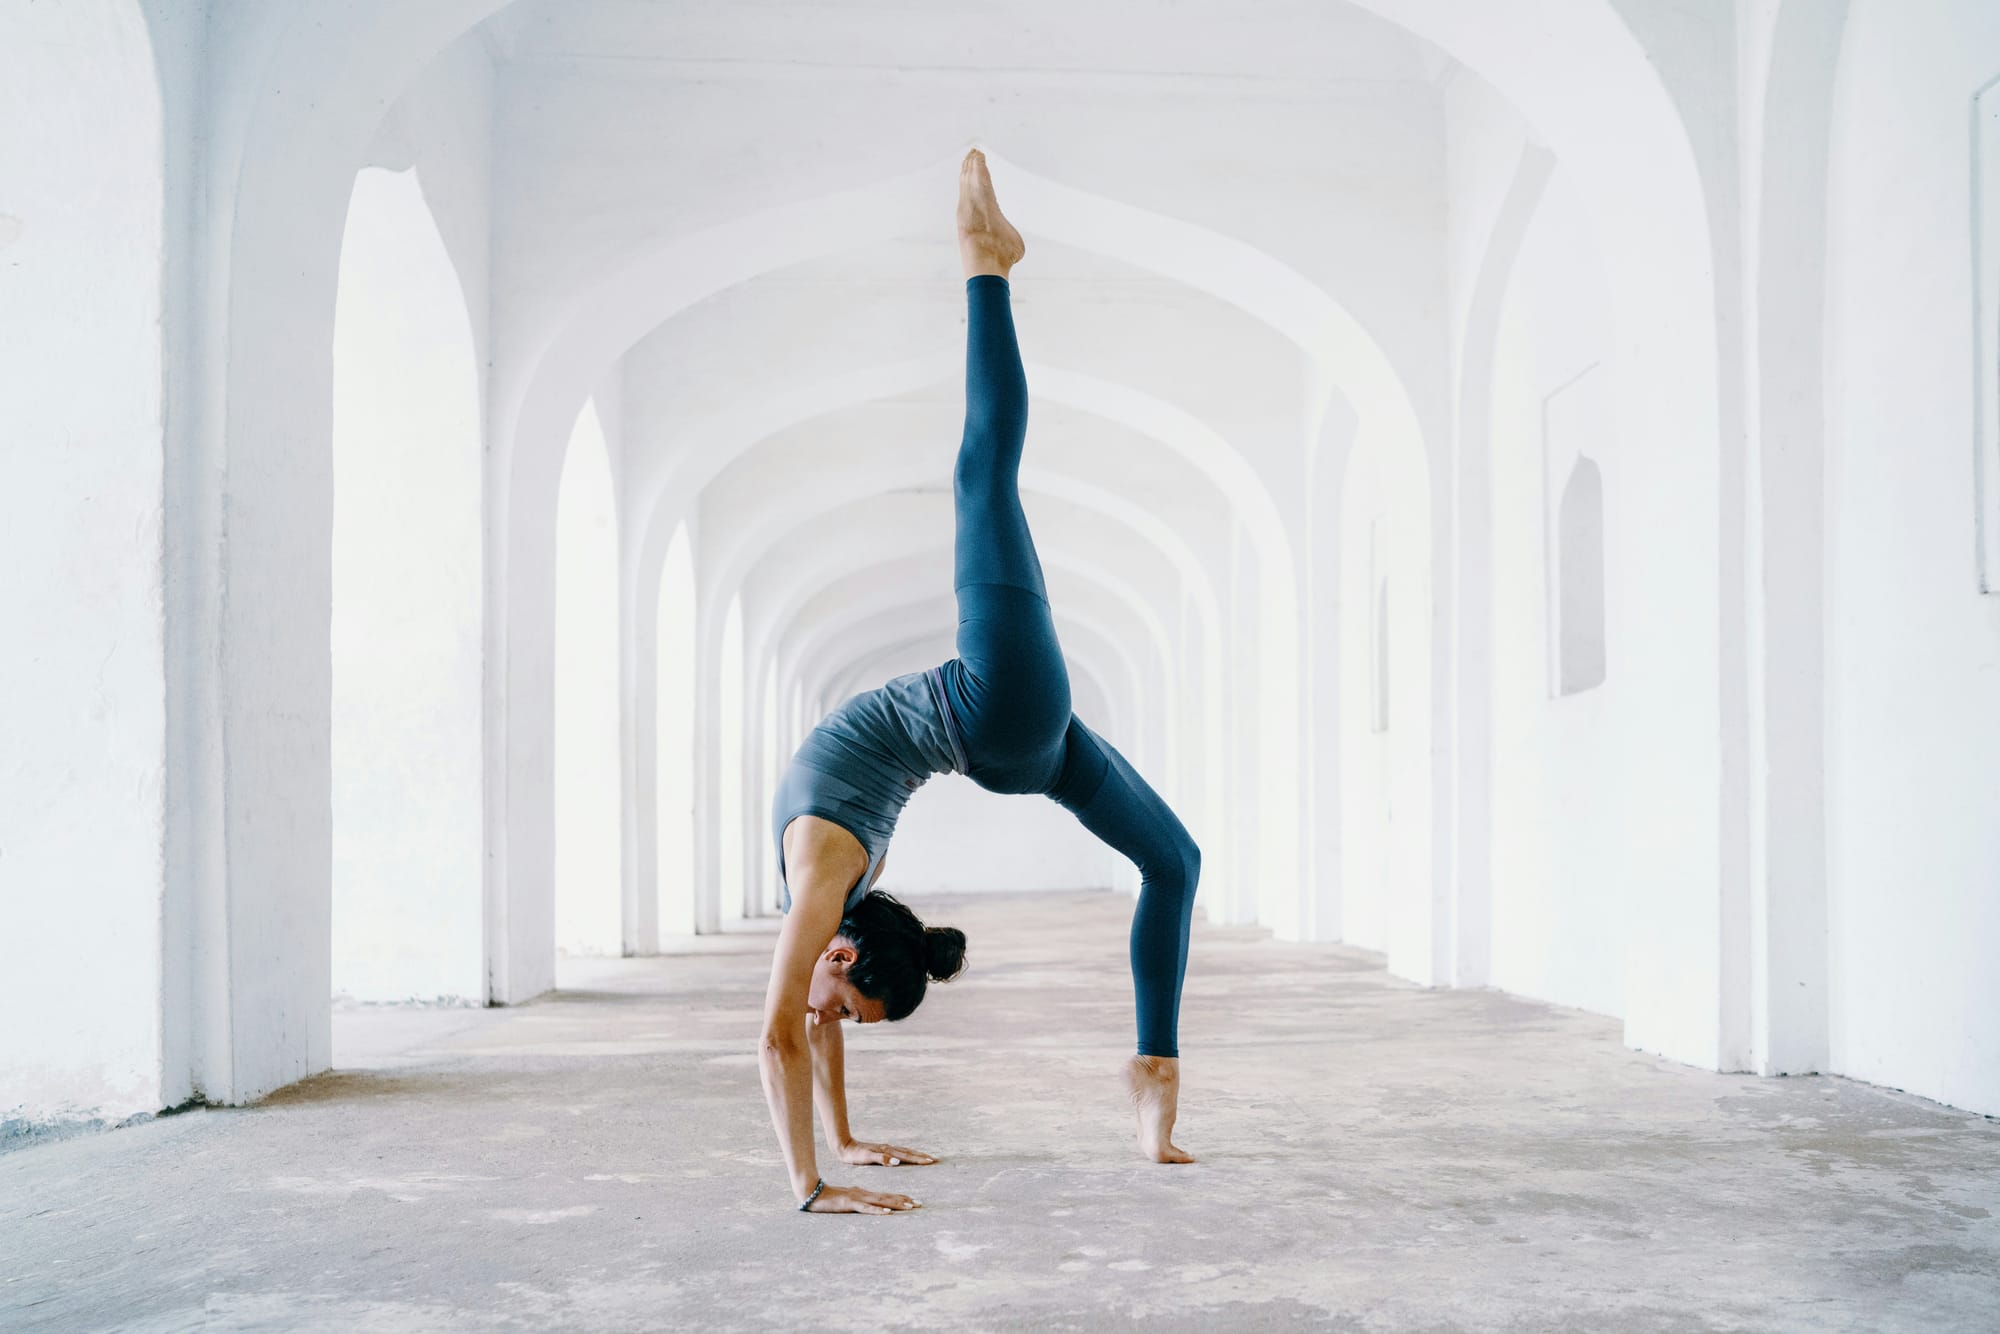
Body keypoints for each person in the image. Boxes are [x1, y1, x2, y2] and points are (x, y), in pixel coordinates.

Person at [757, 148, 1202, 1216]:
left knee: (1174, 860)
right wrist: (840, 1147)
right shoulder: (834, 910)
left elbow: (778, 1028)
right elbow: (810, 1019)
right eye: (854, 1009)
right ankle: (985, 265)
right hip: (1002, 719)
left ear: (844, 949)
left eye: (847, 1005)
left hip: (1003, 718)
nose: (832, 1015)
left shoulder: (823, 877)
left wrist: (818, 1176)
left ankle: (983, 263)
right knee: (981, 476)